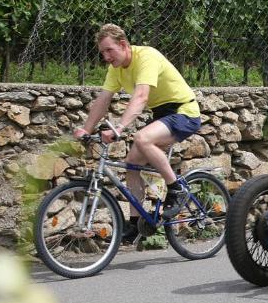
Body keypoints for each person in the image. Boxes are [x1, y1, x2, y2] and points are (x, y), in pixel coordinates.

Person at [75, 24, 202, 243]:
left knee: (142, 138)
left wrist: (119, 128)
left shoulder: (147, 57)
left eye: (109, 50)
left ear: (123, 45)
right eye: (102, 52)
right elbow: (103, 99)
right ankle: (135, 225)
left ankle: (176, 189)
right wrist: (86, 128)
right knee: (131, 164)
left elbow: (141, 96)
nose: (106, 57)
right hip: (162, 115)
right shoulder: (116, 69)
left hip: (184, 111)